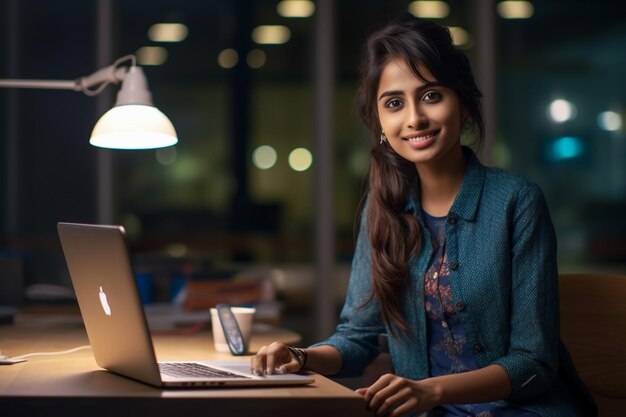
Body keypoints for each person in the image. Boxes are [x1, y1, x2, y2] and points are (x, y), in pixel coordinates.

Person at [251, 15, 596, 417]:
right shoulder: (384, 212)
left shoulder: (516, 201)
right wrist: (301, 357)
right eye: (394, 103)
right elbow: (357, 338)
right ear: (380, 121)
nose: (414, 118)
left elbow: (532, 363)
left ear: (462, 104)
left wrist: (430, 392)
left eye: (431, 95)